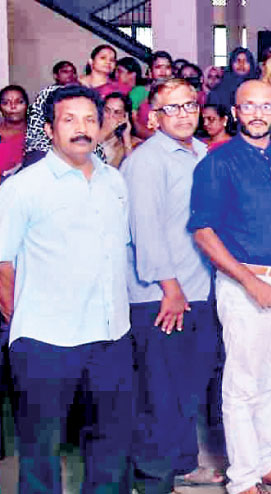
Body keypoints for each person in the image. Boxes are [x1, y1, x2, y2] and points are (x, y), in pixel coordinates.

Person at [0, 84, 133, 494]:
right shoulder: (23, 187)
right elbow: (2, 264)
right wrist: (24, 318)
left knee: (110, 446)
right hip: (46, 340)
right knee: (41, 451)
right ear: (50, 129)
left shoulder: (114, 181)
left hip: (110, 335)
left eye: (90, 119)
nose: (81, 128)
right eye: (69, 119)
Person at [190, 79, 271, 494]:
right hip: (244, 283)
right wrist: (249, 282)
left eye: (266, 106)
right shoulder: (218, 162)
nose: (258, 114)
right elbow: (203, 232)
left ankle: (265, 463)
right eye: (249, 106)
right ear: (236, 112)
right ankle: (243, 479)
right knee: (243, 385)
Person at [122, 78, 227, 491]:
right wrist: (170, 288)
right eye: (172, 108)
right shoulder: (146, 162)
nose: (183, 114)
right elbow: (145, 230)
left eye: (189, 106)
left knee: (187, 387)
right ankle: (152, 479)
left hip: (197, 289)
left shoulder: (201, 152)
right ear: (154, 116)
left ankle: (183, 463)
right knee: (159, 392)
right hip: (161, 295)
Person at [100, 91, 135, 167]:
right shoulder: (90, 131)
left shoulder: (124, 142)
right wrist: (106, 132)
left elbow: (130, 169)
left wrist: (126, 138)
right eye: (107, 110)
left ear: (125, 116)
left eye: (117, 112)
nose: (110, 116)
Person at [0, 85, 28, 176]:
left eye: (19, 102)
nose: (13, 107)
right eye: (6, 103)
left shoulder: (38, 135)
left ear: (27, 105)